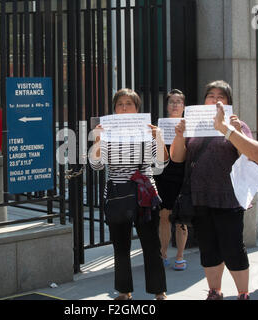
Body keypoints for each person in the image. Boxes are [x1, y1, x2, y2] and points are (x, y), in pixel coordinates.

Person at [170, 80, 252, 300]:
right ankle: (214, 292)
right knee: (208, 248)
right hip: (200, 197)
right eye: (211, 95)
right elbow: (177, 158)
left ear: (228, 103)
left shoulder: (238, 125)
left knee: (233, 248)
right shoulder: (195, 125)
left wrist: (234, 131)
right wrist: (179, 135)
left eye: (221, 96)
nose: (215, 100)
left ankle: (243, 294)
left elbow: (250, 156)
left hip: (228, 197)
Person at [89, 88, 168, 300]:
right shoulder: (106, 133)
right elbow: (96, 165)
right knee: (120, 246)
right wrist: (97, 140)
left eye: (129, 104)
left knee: (151, 244)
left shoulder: (147, 131)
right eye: (120, 104)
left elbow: (162, 162)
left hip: (144, 194)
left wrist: (158, 138)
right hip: (117, 194)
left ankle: (159, 292)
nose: (124, 108)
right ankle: (124, 291)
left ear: (137, 109)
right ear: (114, 109)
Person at [154, 89, 188, 271]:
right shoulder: (160, 126)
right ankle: (164, 253)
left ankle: (180, 256)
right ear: (166, 106)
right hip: (164, 174)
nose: (175, 105)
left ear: (183, 106)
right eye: (172, 102)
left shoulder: (190, 126)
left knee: (181, 218)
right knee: (164, 216)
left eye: (179, 101)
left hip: (182, 174)